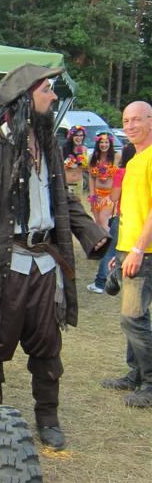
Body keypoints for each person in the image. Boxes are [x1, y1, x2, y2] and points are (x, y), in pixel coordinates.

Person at [0, 64, 109, 450]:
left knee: (47, 345)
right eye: (47, 89)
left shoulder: (48, 145)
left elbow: (63, 199)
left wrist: (93, 236)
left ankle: (48, 418)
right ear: (25, 99)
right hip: (7, 265)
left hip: (45, 265)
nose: (54, 96)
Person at [103, 101, 152, 407]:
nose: (130, 125)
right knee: (133, 317)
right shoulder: (134, 160)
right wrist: (120, 250)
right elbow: (131, 212)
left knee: (133, 317)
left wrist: (137, 249)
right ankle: (136, 374)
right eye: (125, 120)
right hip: (129, 250)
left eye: (137, 119)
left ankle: (150, 382)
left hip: (145, 253)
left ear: (151, 121)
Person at [87, 142, 135, 294]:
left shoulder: (121, 172)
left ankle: (100, 282)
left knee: (111, 249)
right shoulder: (141, 170)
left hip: (123, 215)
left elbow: (114, 197)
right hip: (140, 218)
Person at [88, 131, 117, 231]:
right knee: (97, 222)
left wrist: (117, 195)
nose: (104, 145)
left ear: (110, 143)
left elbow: (121, 176)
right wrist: (92, 195)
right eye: (101, 142)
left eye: (106, 142)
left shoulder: (116, 157)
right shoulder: (92, 158)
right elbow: (91, 177)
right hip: (96, 195)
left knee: (103, 220)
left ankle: (111, 240)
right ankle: (102, 241)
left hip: (109, 195)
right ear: (98, 143)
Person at [62, 125, 88, 197]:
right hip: (68, 183)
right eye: (76, 135)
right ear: (71, 136)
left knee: (78, 202)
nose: (79, 138)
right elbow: (62, 168)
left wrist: (83, 163)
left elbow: (85, 168)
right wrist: (70, 162)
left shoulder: (84, 149)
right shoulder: (65, 148)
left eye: (81, 135)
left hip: (79, 182)